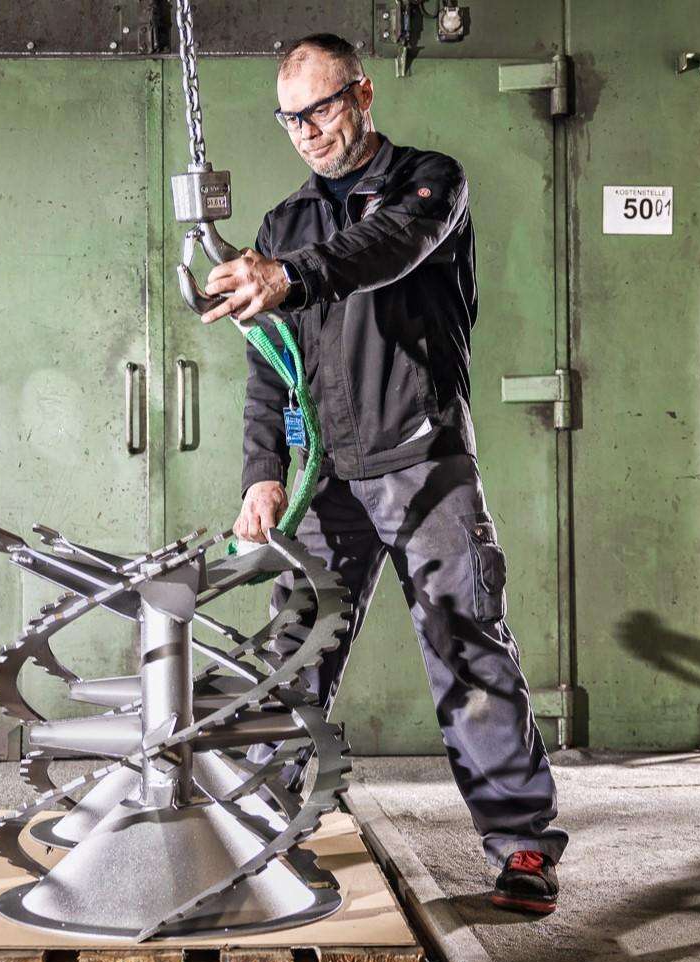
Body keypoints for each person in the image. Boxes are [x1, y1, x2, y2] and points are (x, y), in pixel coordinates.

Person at [199, 32, 568, 915]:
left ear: (363, 96)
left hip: (424, 460)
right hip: (329, 477)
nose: (306, 131)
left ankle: (520, 841)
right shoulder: (284, 224)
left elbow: (384, 249)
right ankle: (260, 827)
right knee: (295, 649)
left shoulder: (427, 184)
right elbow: (268, 365)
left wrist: (289, 277)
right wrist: (263, 471)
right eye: (290, 118)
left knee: (465, 642)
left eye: (320, 109)